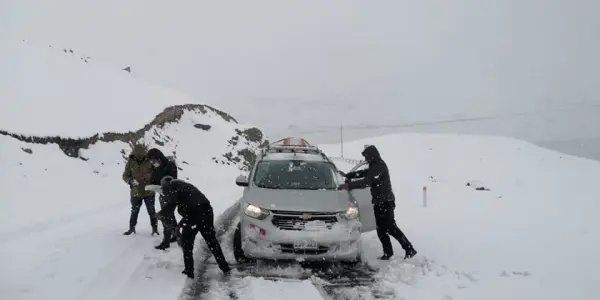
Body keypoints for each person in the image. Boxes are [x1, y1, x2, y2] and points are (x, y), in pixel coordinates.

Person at [338, 145, 417, 260]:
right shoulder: (374, 165)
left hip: (385, 202)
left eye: (366, 156)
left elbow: (366, 181)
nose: (365, 159)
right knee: (381, 229)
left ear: (371, 155)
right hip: (380, 202)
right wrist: (349, 175)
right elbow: (365, 173)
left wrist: (348, 185)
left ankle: (409, 249)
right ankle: (388, 253)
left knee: (391, 227)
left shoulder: (379, 166)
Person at [156, 176, 231, 278]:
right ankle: (224, 267)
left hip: (194, 215)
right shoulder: (186, 187)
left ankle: (189, 270)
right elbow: (191, 206)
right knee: (211, 241)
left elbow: (173, 204)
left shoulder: (172, 187)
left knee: (187, 243)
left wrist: (161, 213)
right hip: (207, 211)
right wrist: (180, 224)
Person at [122, 144, 159, 236]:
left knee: (151, 211)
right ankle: (131, 228)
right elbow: (125, 175)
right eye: (138, 154)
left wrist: (148, 176)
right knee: (134, 210)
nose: (140, 156)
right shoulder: (130, 161)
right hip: (136, 191)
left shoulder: (150, 160)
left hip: (149, 190)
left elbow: (158, 171)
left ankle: (155, 229)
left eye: (142, 154)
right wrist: (130, 181)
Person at [147, 148, 179, 250]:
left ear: (158, 157)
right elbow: (154, 179)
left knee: (166, 217)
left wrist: (163, 186)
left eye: (153, 160)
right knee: (170, 216)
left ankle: (166, 241)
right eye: (151, 161)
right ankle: (176, 235)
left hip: (171, 195)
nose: (153, 163)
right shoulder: (156, 168)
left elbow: (172, 180)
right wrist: (151, 185)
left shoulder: (170, 165)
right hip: (161, 195)